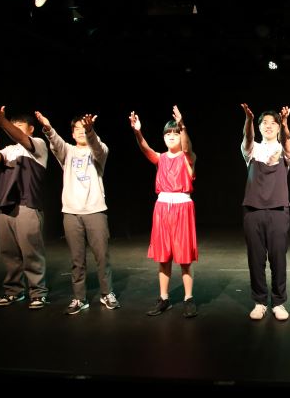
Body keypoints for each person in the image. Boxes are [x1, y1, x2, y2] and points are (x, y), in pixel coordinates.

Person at [35, 111, 121, 315]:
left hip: (95, 211)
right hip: (71, 213)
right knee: (77, 259)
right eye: (78, 129)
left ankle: (107, 293)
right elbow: (56, 142)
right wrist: (48, 128)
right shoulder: (68, 151)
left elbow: (97, 146)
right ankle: (79, 298)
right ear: (72, 133)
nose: (81, 132)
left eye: (85, 129)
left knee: (102, 256)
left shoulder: (99, 151)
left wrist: (91, 131)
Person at [130, 106, 198, 318]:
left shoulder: (187, 157)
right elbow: (145, 148)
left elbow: (187, 147)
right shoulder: (160, 158)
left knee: (184, 258)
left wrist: (182, 126)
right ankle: (164, 298)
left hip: (182, 207)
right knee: (163, 257)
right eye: (167, 133)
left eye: (175, 133)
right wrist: (137, 131)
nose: (171, 136)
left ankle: (188, 298)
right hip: (162, 208)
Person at [0, 107, 49, 309]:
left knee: (31, 252)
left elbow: (21, 137)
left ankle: (38, 293)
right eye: (13, 125)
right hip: (6, 207)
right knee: (9, 253)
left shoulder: (38, 144)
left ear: (31, 129)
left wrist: (3, 122)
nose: (15, 129)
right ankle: (14, 291)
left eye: (20, 126)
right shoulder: (9, 150)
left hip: (28, 205)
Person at [240, 104, 290, 321]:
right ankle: (260, 302)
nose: (269, 126)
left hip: (278, 210)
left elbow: (288, 143)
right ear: (259, 127)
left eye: (273, 123)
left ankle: (279, 302)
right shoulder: (252, 149)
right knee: (255, 259)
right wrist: (248, 120)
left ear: (279, 127)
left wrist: (285, 124)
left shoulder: (286, 148)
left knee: (278, 258)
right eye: (264, 123)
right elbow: (247, 138)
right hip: (253, 211)